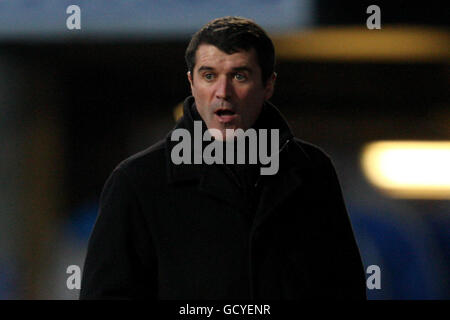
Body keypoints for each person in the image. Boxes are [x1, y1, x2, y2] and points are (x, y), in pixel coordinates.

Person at [80, 16, 366, 300]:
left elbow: (344, 288)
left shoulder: (311, 171)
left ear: (268, 84)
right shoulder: (138, 181)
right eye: (209, 76)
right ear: (191, 83)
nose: (223, 93)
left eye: (239, 75)